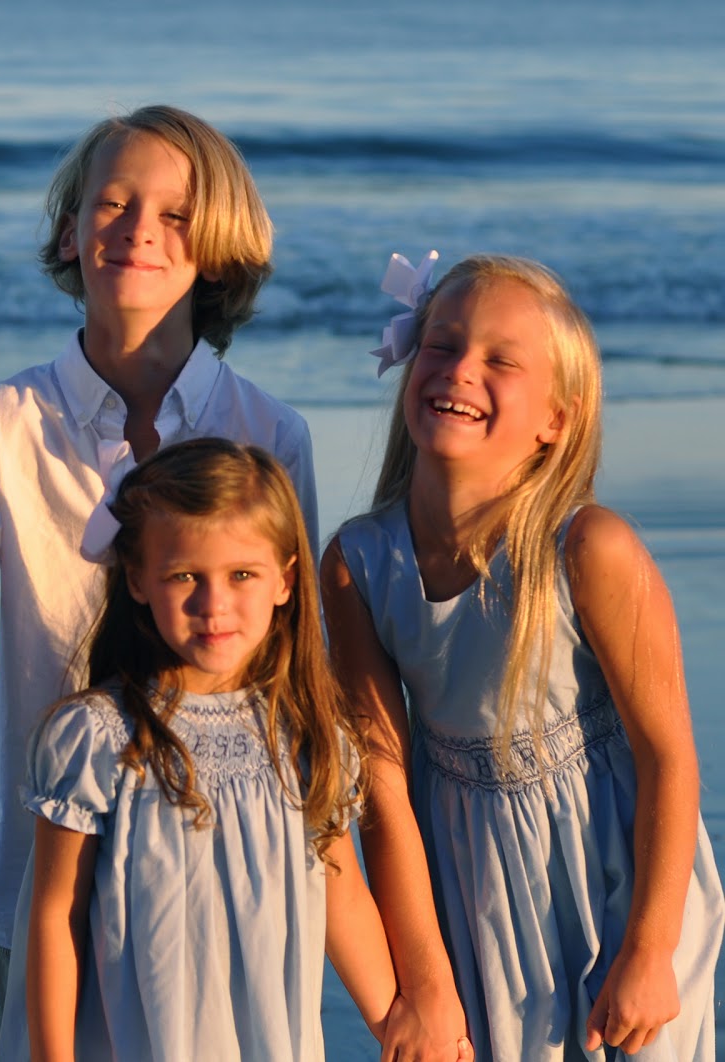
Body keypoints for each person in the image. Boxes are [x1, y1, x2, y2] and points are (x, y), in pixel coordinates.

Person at [0, 104, 330, 1039]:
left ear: (220, 250)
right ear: (70, 232)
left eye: (176, 214)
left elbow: (293, 668)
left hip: (226, 871)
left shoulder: (271, 435)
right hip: (49, 871)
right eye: (113, 203)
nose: (139, 228)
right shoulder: (1, 427)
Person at [322, 253, 724, 1060]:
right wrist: (426, 983)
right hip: (468, 889)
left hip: (620, 882)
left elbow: (668, 756)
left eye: (500, 360)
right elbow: (382, 786)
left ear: (556, 421)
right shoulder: (357, 564)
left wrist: (651, 950)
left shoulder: (590, 549)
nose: (460, 369)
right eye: (442, 344)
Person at [0, 438, 408, 1060]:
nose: (214, 605)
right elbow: (57, 918)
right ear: (138, 579)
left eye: (242, 575)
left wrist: (395, 1023)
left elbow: (342, 896)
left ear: (285, 580)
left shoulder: (305, 736)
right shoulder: (98, 737)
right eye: (185, 575)